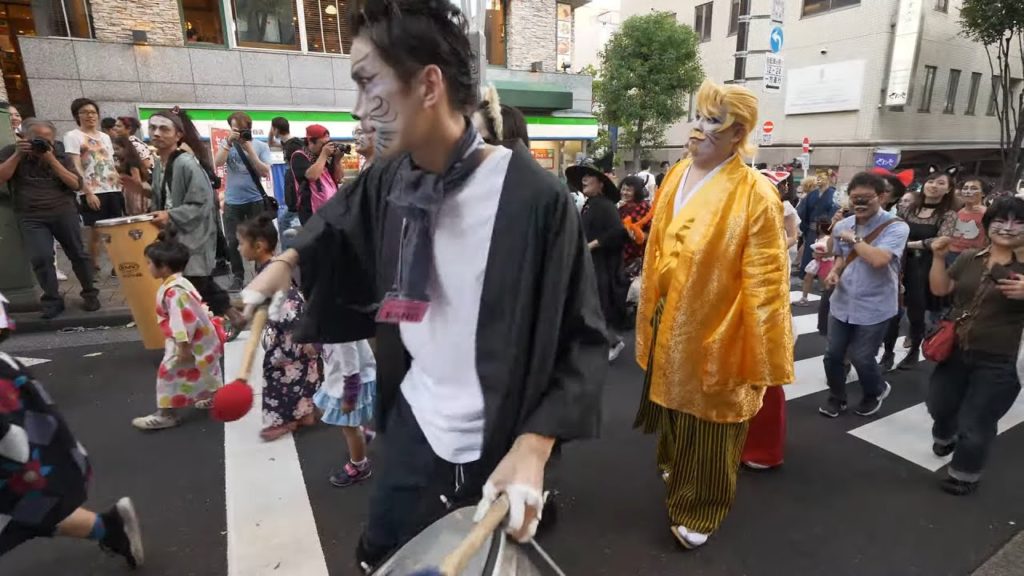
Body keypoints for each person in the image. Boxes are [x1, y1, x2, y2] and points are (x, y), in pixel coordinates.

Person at [241, 0, 605, 568]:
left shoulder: (535, 199)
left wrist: (534, 449)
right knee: (383, 555)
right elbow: (334, 223)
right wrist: (283, 263)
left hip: (500, 432)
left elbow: (581, 337)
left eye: (368, 84)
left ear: (428, 84)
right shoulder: (389, 179)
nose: (359, 110)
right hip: (412, 419)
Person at [632, 79, 793, 549]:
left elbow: (768, 281)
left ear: (738, 132)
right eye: (697, 118)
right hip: (669, 315)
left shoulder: (756, 194)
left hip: (717, 325)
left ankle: (701, 508)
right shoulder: (677, 173)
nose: (697, 130)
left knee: (711, 422)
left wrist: (760, 351)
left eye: (712, 122)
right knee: (671, 406)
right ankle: (674, 468)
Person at [0, 297, 144, 566]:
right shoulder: (5, 364)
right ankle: (110, 528)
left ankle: (109, 529)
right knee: (33, 512)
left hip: (16, 473)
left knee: (29, 512)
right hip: (27, 472)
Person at [927, 197, 1024, 495]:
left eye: (1018, 222)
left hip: (1001, 359)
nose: (1007, 228)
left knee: (977, 420)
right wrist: (939, 258)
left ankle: (964, 474)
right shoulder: (971, 257)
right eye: (1000, 220)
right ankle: (945, 434)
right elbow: (941, 289)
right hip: (955, 348)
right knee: (939, 404)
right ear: (987, 223)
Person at [818, 172, 910, 419]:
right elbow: (838, 255)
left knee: (862, 357)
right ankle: (837, 397)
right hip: (842, 299)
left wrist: (854, 238)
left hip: (876, 303)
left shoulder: (897, 226)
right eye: (854, 198)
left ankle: (875, 390)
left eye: (866, 198)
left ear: (881, 197)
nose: (859, 203)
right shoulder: (842, 225)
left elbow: (878, 259)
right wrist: (835, 272)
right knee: (833, 355)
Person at [146, 110, 245, 332]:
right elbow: (165, 195)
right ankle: (229, 318)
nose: (157, 133)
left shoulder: (186, 163)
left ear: (178, 134)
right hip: (178, 234)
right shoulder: (161, 162)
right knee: (197, 282)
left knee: (194, 284)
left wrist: (170, 215)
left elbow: (202, 203)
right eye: (153, 128)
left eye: (164, 129)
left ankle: (212, 328)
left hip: (194, 235)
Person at [0, 118, 99, 319]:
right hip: (30, 215)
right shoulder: (11, 151)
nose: (42, 144)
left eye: (47, 140)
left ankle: (90, 293)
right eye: (37, 139)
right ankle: (52, 300)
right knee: (41, 257)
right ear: (24, 137)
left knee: (78, 254)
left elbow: (75, 184)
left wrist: (51, 159)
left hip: (63, 211)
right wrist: (19, 154)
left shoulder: (59, 153)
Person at [234, 215, 322, 441]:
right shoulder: (274, 264)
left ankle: (284, 420)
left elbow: (288, 306)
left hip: (291, 332)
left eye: (241, 242)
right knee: (303, 373)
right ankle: (306, 413)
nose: (238, 247)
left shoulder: (271, 270)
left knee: (279, 376)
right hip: (295, 331)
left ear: (259, 245)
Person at [132, 229, 224, 430]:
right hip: (204, 338)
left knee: (168, 373)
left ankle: (167, 413)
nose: (147, 267)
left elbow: (181, 321)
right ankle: (217, 397)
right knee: (206, 368)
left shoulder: (174, 292)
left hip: (189, 341)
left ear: (163, 267)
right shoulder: (181, 282)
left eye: (149, 263)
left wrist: (182, 346)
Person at [742, 169, 801, 471]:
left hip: (763, 319)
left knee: (763, 383)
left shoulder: (774, 239)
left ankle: (763, 449)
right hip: (736, 318)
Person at [896, 166, 958, 370]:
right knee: (891, 308)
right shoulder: (907, 208)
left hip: (925, 266)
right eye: (931, 181)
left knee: (916, 310)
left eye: (941, 183)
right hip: (899, 261)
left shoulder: (948, 214)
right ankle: (887, 351)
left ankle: (914, 349)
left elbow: (940, 241)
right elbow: (895, 230)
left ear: (948, 189)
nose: (934, 186)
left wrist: (910, 244)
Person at [568, 158, 628, 362]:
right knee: (588, 303)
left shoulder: (605, 205)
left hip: (602, 265)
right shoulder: (589, 204)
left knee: (599, 303)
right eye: (582, 177)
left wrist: (591, 245)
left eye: (589, 176)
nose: (584, 180)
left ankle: (613, 341)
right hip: (589, 263)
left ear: (601, 183)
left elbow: (618, 233)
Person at [215, 111, 274, 291]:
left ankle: (261, 274)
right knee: (232, 240)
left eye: (242, 129)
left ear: (249, 128)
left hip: (255, 200)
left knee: (258, 238)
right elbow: (217, 163)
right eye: (235, 129)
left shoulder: (261, 146)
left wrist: (250, 151)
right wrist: (228, 143)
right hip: (233, 202)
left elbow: (265, 172)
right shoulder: (227, 145)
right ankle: (238, 277)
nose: (239, 133)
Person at [65, 98, 124, 274]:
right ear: (77, 115)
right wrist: (87, 192)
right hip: (93, 190)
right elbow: (75, 165)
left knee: (116, 230)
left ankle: (118, 265)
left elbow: (110, 162)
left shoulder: (105, 136)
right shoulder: (73, 136)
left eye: (93, 112)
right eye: (85, 112)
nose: (90, 116)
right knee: (97, 231)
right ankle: (92, 264)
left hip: (113, 188)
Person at [316, 340, 379, 487]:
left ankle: (360, 466)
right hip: (339, 377)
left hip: (352, 383)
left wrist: (350, 397)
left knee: (349, 427)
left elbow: (351, 368)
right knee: (327, 409)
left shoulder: (342, 334)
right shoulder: (329, 324)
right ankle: (362, 435)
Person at [289, 124, 344, 225]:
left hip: (331, 210)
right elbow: (312, 176)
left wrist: (337, 160)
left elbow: (339, 178)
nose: (325, 147)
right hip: (311, 212)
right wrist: (324, 154)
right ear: (310, 141)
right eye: (323, 144)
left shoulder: (323, 158)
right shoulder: (299, 156)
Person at [797, 172, 839, 272]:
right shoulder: (812, 194)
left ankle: (821, 275)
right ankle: (806, 272)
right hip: (812, 228)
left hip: (826, 229)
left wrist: (828, 227)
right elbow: (804, 211)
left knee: (823, 253)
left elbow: (835, 211)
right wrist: (805, 227)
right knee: (809, 253)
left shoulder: (833, 194)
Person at [617, 174, 653, 275]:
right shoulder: (622, 208)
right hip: (623, 254)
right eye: (623, 189)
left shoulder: (644, 208)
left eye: (628, 190)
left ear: (636, 192)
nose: (624, 192)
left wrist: (639, 235)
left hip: (638, 256)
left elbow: (651, 232)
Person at [949, 177, 989, 264]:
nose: (968, 191)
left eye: (974, 188)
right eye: (965, 188)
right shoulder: (956, 211)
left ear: (983, 193)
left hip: (973, 258)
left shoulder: (989, 213)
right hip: (950, 254)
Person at [796, 219, 835, 306]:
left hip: (826, 262)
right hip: (817, 261)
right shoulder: (819, 237)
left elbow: (832, 252)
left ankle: (832, 302)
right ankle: (804, 298)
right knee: (807, 278)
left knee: (825, 284)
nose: (817, 227)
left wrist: (819, 254)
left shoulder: (828, 238)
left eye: (819, 225)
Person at [112, 135, 150, 216]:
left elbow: (137, 180)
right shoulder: (124, 161)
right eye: (114, 149)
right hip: (131, 191)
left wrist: (123, 177)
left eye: (117, 149)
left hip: (135, 193)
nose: (115, 152)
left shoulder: (131, 161)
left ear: (126, 149)